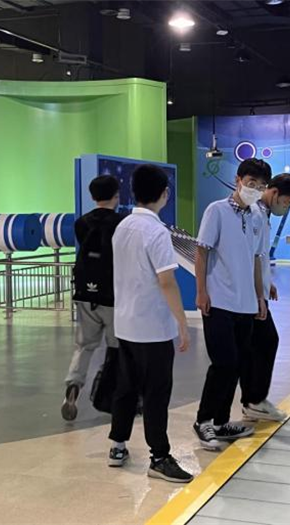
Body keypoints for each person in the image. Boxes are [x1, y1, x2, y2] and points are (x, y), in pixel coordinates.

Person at [107, 164, 193, 484]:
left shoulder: (123, 226)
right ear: (164, 194)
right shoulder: (156, 232)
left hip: (125, 323)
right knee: (156, 393)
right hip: (153, 327)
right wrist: (182, 321)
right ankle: (159, 457)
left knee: (126, 387)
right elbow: (166, 281)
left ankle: (118, 446)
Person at [193, 158, 272, 450]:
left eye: (261, 186)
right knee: (223, 363)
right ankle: (203, 421)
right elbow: (202, 252)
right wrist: (201, 292)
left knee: (237, 365)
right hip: (219, 301)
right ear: (238, 180)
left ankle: (221, 422)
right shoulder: (216, 211)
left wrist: (259, 297)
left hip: (246, 304)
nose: (256, 190)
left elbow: (256, 259)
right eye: (251, 184)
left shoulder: (258, 216)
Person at [241, 173, 290, 422]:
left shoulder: (262, 214)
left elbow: (261, 256)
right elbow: (251, 256)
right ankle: (254, 400)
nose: (285, 208)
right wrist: (259, 294)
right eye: (286, 202)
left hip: (257, 290)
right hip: (250, 294)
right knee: (266, 342)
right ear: (274, 193)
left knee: (260, 344)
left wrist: (268, 284)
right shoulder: (255, 214)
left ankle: (253, 400)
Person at [62, 175, 122, 422]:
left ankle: (73, 385)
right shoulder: (121, 223)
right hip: (112, 295)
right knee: (117, 348)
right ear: (116, 195)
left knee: (84, 346)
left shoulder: (81, 223)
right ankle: (112, 395)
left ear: (92, 196)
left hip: (85, 292)